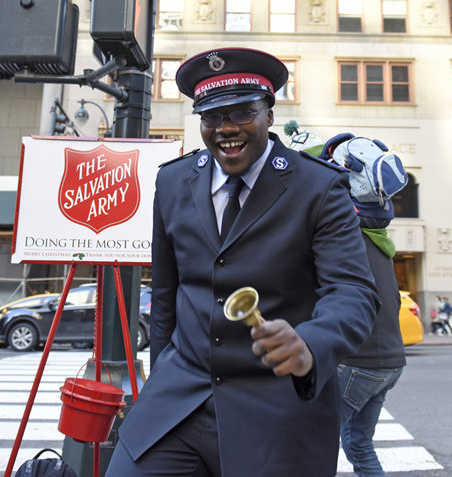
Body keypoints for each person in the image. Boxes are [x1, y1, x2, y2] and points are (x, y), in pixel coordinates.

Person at [105, 48, 379, 477]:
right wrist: (160, 379)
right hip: (178, 400)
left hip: (277, 406)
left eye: (242, 113)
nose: (226, 129)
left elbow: (354, 292)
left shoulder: (320, 188)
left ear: (269, 112)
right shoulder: (172, 180)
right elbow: (165, 295)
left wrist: (310, 344)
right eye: (212, 118)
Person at [317, 134, 407, 476]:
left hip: (358, 362)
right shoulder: (380, 244)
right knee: (359, 444)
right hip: (390, 364)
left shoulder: (347, 238)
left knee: (311, 441)